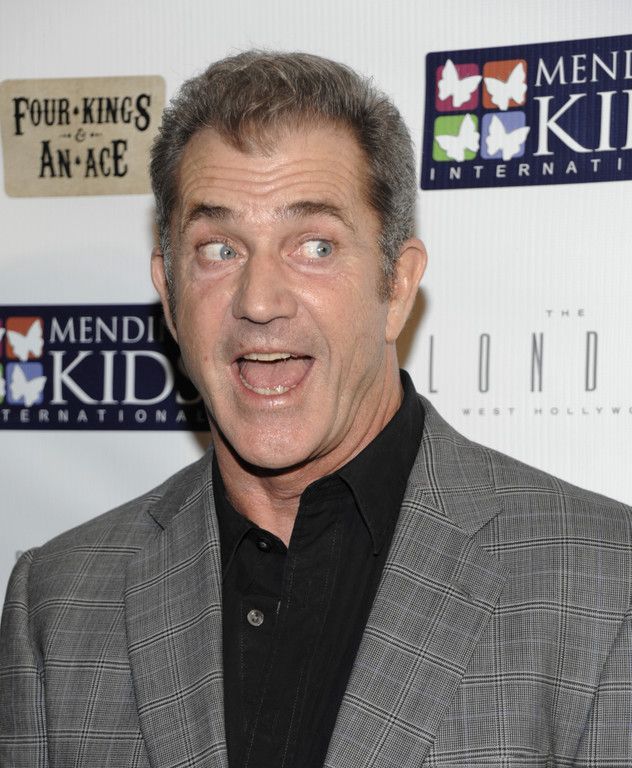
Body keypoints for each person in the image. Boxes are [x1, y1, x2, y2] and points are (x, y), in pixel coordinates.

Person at [1, 51, 631, 768]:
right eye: (218, 249)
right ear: (169, 294)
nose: (259, 301)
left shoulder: (603, 583)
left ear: (396, 286)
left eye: (315, 245)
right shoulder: (56, 602)